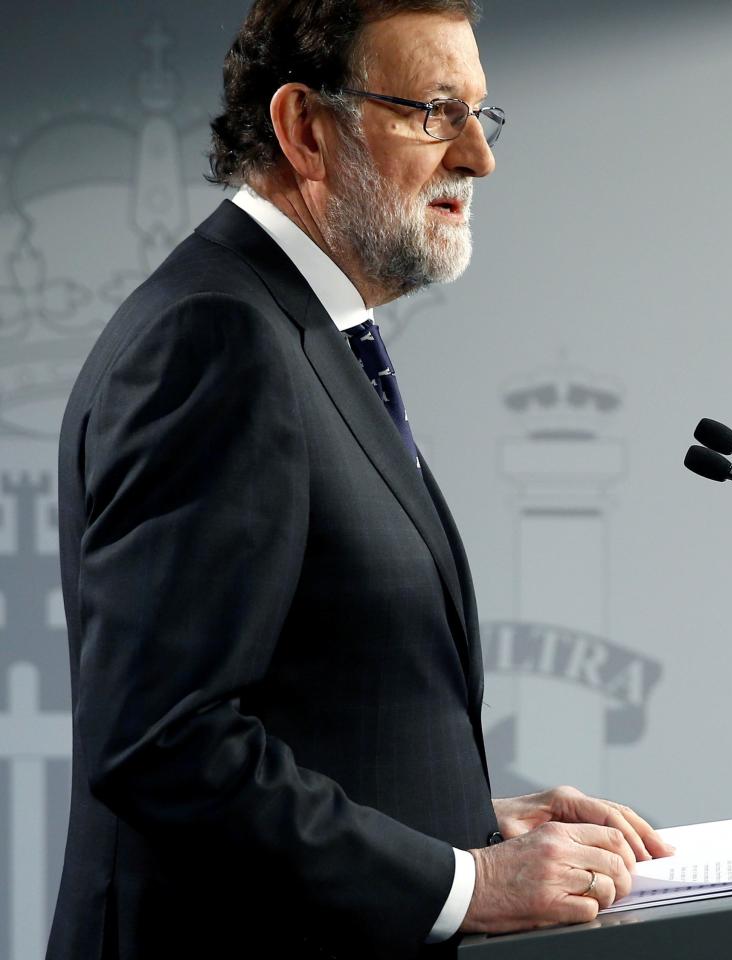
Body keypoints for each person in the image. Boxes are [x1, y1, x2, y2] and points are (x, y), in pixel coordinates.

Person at [49, 2, 670, 955]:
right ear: (305, 128)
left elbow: (309, 703)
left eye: (479, 113)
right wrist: (466, 883)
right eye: (433, 110)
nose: (477, 157)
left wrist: (467, 815)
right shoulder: (216, 339)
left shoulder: (296, 328)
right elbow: (164, 745)